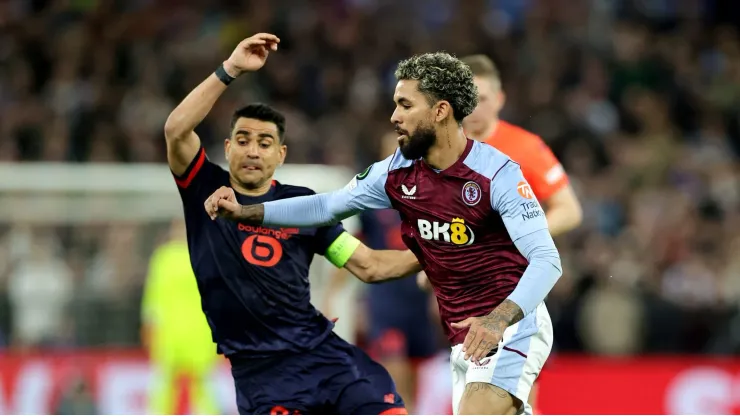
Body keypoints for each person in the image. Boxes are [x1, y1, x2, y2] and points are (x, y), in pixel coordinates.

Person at [208, 52, 563, 415]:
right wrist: (248, 211)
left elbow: (548, 261)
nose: (394, 117)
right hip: (464, 338)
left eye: (405, 105)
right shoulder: (396, 173)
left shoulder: (497, 174)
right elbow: (326, 207)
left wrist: (497, 319)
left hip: (511, 326)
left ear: (439, 111)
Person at [163, 32, 419, 415]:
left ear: (280, 154)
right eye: (244, 139)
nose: (253, 150)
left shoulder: (303, 206)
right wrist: (230, 69)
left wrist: (437, 252)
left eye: (264, 143)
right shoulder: (204, 187)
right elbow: (176, 130)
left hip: (324, 357)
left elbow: (367, 264)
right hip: (263, 376)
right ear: (228, 148)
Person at [322, 131, 441, 414]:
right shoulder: (373, 202)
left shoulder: (431, 199)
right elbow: (357, 249)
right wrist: (333, 292)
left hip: (420, 302)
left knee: (413, 388)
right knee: (396, 385)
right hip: (386, 303)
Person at [141, 219, 219, 415]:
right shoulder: (163, 257)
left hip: (199, 331)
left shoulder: (206, 254)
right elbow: (153, 295)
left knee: (202, 382)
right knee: (165, 381)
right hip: (169, 331)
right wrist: (148, 323)